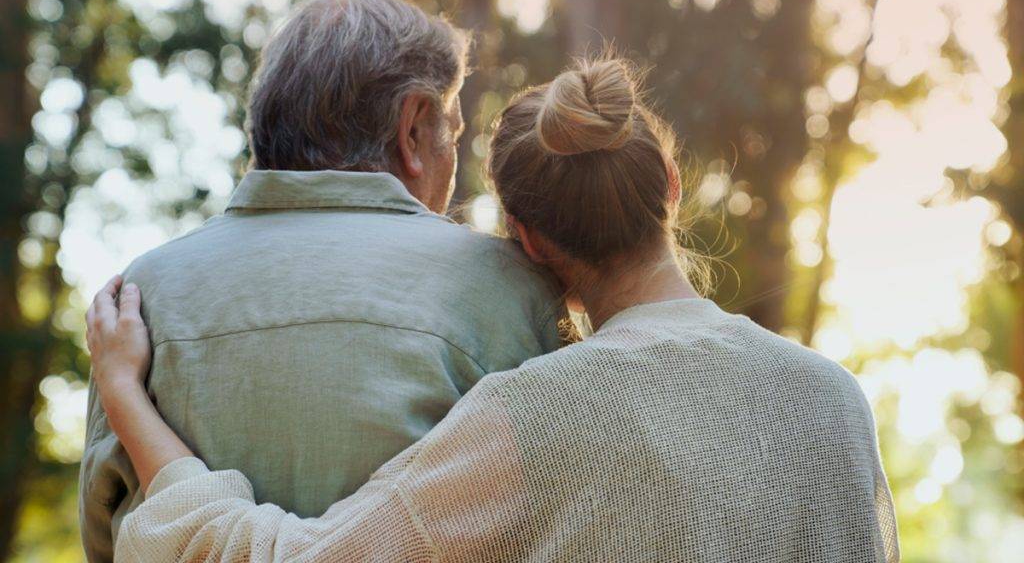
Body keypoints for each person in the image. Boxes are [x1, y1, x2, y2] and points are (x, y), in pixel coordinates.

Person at [86, 58, 900, 562]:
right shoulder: (831, 399)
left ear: (526, 242)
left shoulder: (531, 416)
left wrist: (126, 392)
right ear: (672, 185)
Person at [78, 0, 564, 561]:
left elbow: (105, 533)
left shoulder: (138, 300)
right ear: (413, 130)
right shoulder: (514, 289)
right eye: (452, 136)